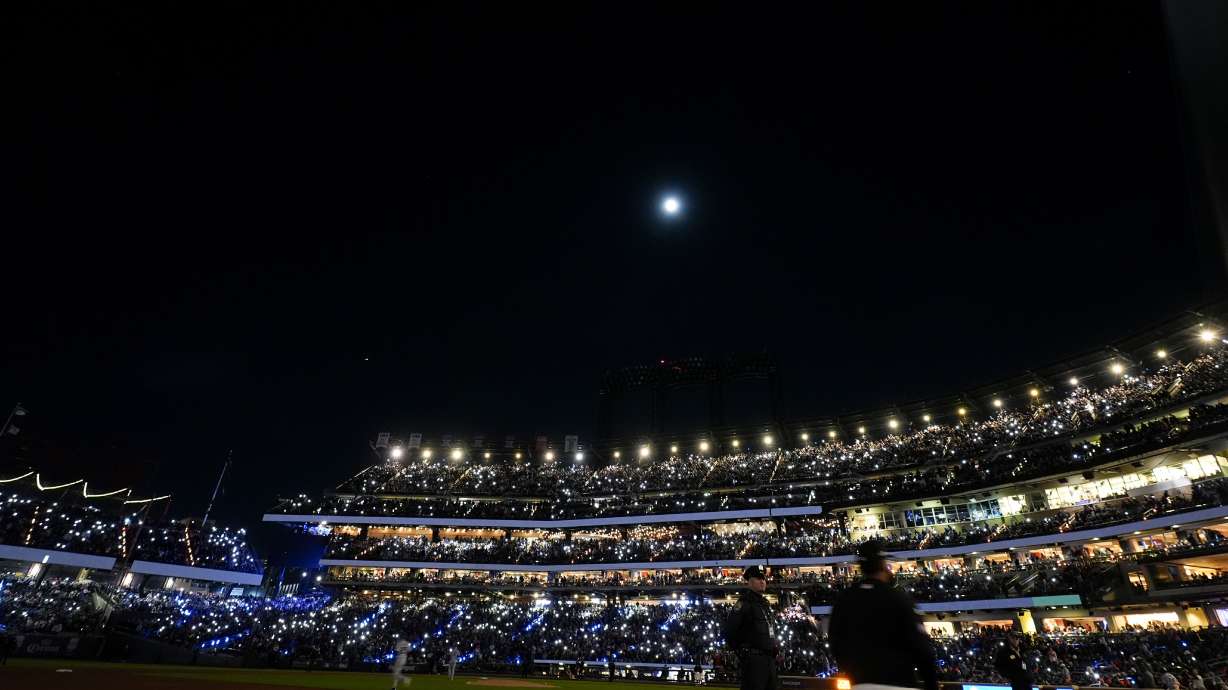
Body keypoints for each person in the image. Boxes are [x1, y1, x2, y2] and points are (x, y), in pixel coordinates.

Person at [829, 540, 938, 690]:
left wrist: (854, 673)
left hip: (860, 684)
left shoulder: (844, 600)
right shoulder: (898, 597)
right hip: (899, 684)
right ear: (881, 564)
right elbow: (923, 650)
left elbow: (835, 644)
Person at [724, 565, 779, 690]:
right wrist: (743, 654)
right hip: (753, 660)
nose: (762, 581)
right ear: (749, 582)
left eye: (764, 579)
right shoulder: (744, 603)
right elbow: (730, 631)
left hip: (769, 659)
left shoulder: (764, 603)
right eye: (758, 578)